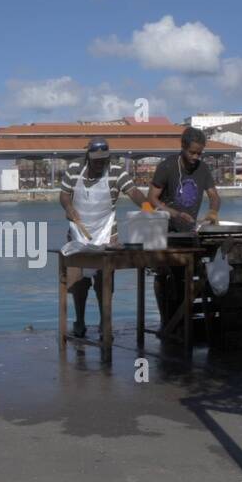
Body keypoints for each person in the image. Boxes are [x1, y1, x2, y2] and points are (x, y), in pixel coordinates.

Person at [60, 136, 147, 338]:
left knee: (104, 283)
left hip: (107, 235)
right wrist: (69, 207)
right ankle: (79, 321)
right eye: (96, 160)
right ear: (88, 157)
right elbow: (64, 194)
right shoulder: (74, 168)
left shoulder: (116, 171)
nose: (100, 164)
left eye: (104, 160)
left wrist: (149, 210)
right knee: (78, 283)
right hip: (77, 234)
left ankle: (104, 323)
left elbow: (133, 192)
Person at [147, 127, 220, 337]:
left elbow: (214, 195)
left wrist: (213, 211)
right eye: (192, 153)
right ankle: (166, 322)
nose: (196, 157)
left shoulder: (203, 169)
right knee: (164, 276)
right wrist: (173, 213)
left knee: (188, 278)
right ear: (183, 148)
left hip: (190, 234)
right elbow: (152, 199)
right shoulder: (167, 166)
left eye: (200, 153)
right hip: (166, 232)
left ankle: (182, 323)